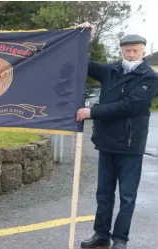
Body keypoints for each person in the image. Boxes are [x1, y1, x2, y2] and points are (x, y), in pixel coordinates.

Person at [75, 23, 158, 249]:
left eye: (136, 50)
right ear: (121, 50)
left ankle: (120, 239)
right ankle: (101, 235)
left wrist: (93, 111)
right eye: (127, 50)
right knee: (103, 193)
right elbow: (82, 64)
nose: (131, 54)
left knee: (127, 197)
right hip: (106, 143)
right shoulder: (110, 71)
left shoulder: (149, 77)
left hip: (131, 146)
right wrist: (85, 39)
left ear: (143, 52)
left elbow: (129, 106)